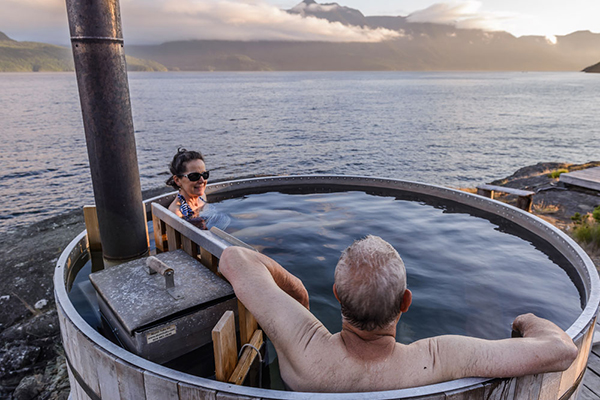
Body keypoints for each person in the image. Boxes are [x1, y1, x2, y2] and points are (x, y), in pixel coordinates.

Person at [219, 235, 578, 393]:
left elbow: (234, 258)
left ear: (336, 296)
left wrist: (296, 287)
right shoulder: (437, 359)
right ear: (406, 302)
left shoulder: (303, 347)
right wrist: (525, 320)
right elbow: (561, 350)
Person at [166, 148, 210, 229]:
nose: (202, 180)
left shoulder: (202, 196)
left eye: (204, 174)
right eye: (194, 176)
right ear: (177, 180)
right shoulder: (177, 212)